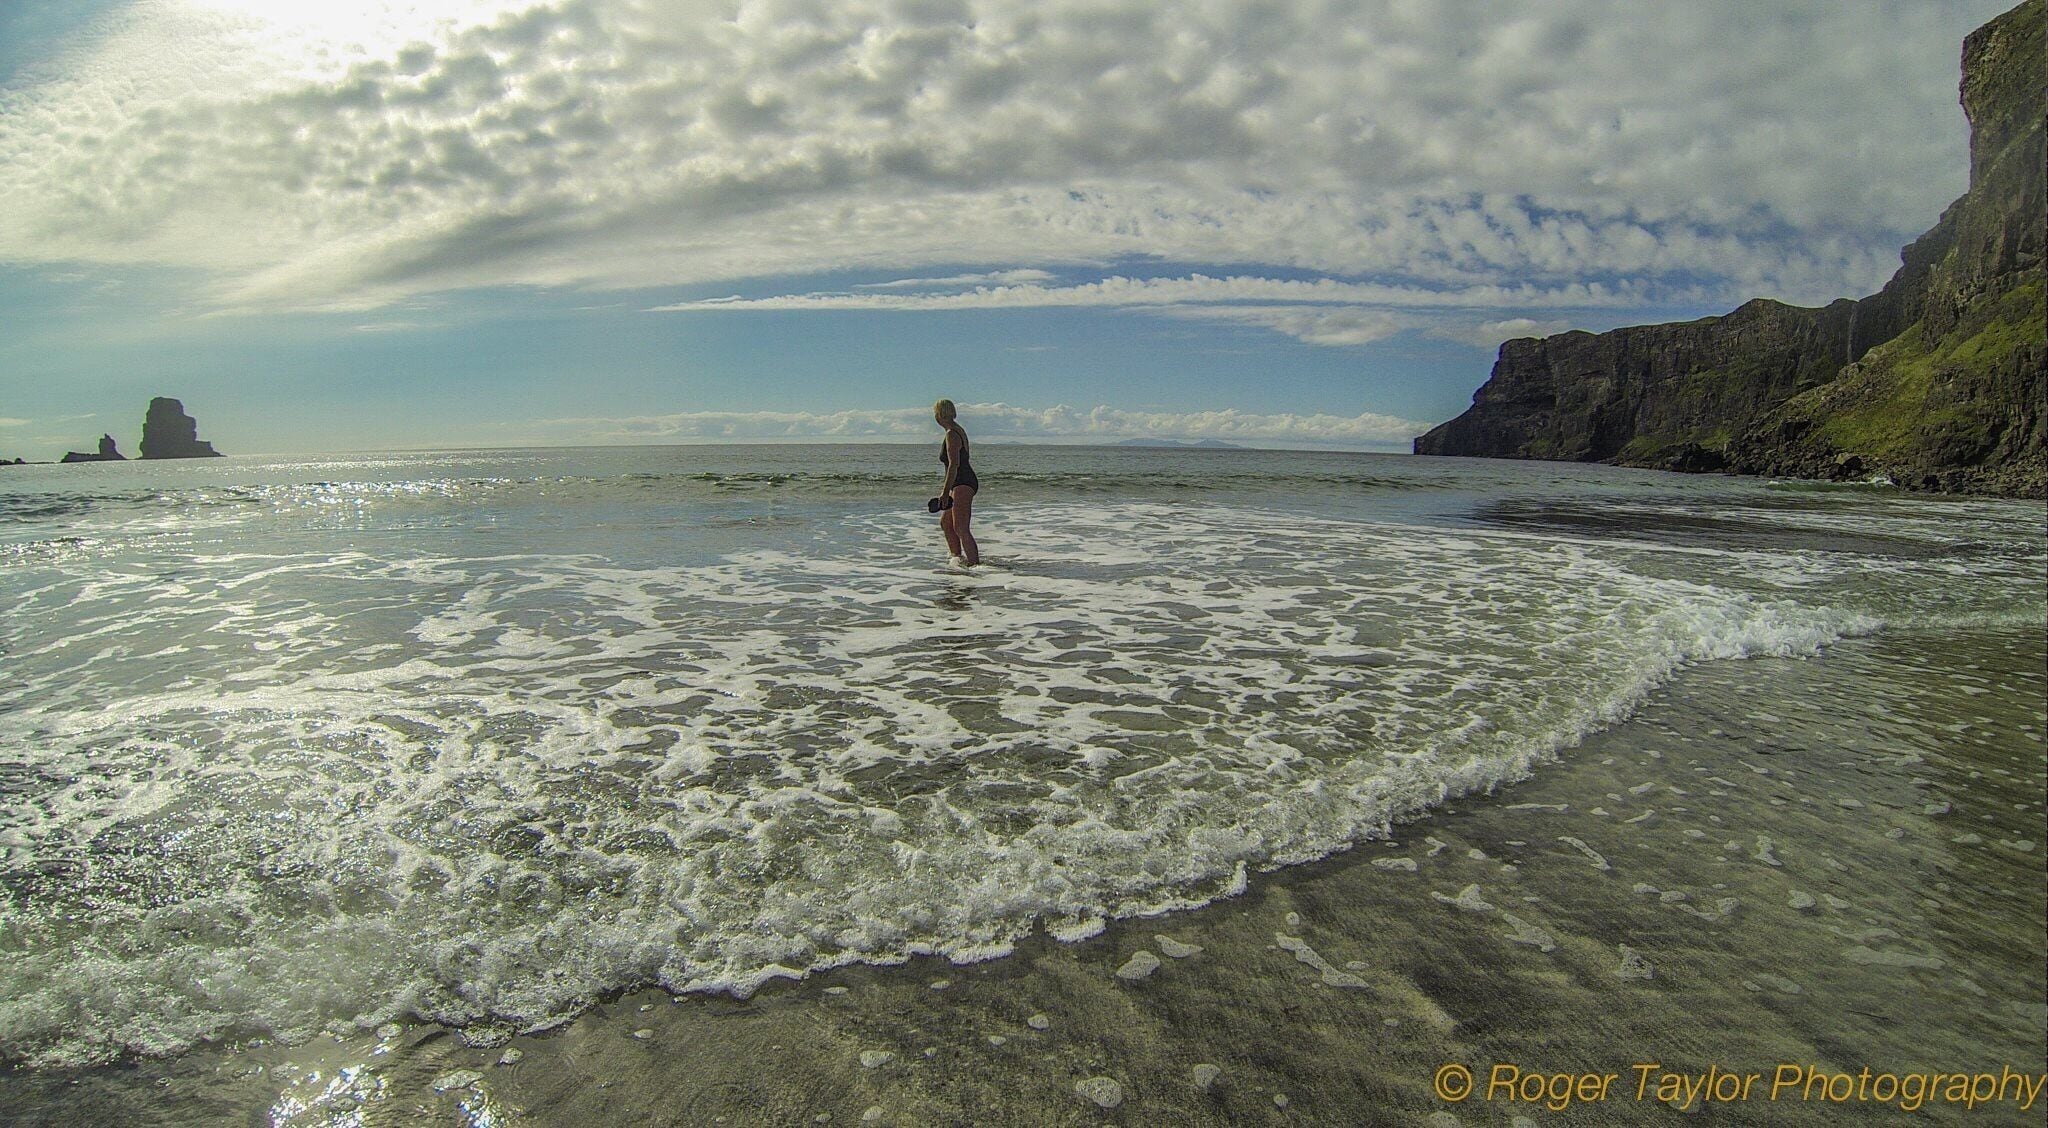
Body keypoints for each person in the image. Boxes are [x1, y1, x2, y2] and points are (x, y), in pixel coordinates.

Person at [933, 399, 980, 565]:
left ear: (939, 414)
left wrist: (945, 492)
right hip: (959, 482)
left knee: (960, 527)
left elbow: (954, 464)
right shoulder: (956, 430)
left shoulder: (952, 433)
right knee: (946, 523)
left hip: (963, 482)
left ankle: (975, 566)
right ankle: (957, 559)